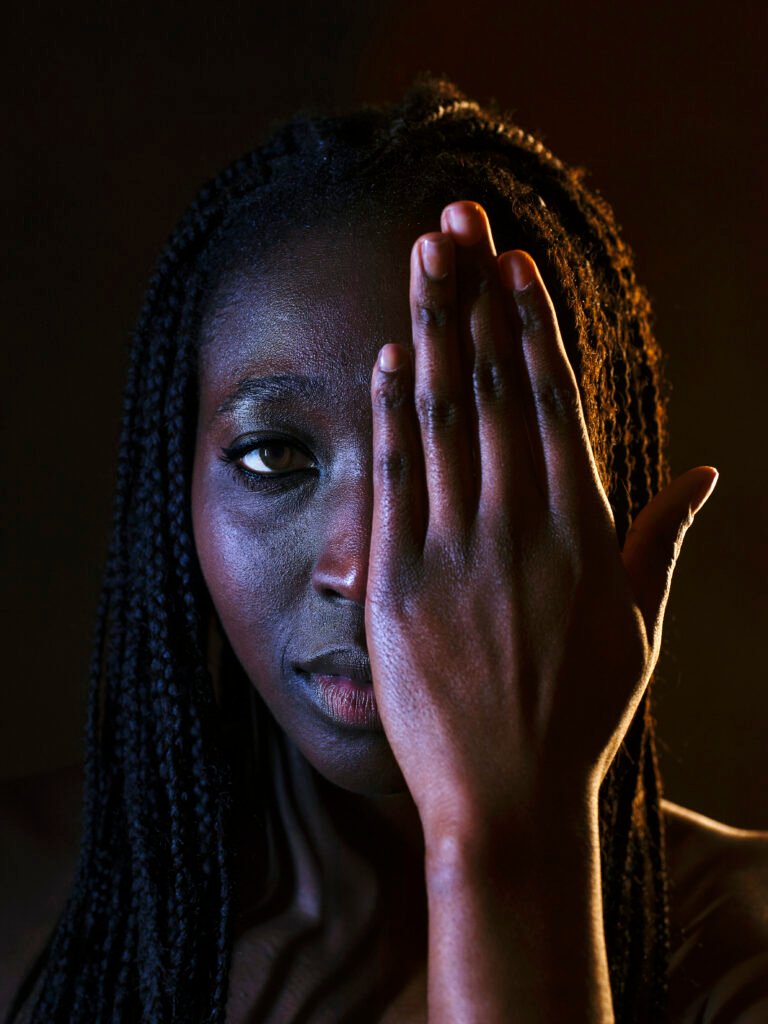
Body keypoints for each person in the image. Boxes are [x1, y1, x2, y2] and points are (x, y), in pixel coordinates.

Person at [4, 76, 767, 1024]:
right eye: (274, 456)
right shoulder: (21, 905)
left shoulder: (737, 944)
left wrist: (505, 839)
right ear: (175, 480)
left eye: (465, 460)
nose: (365, 573)